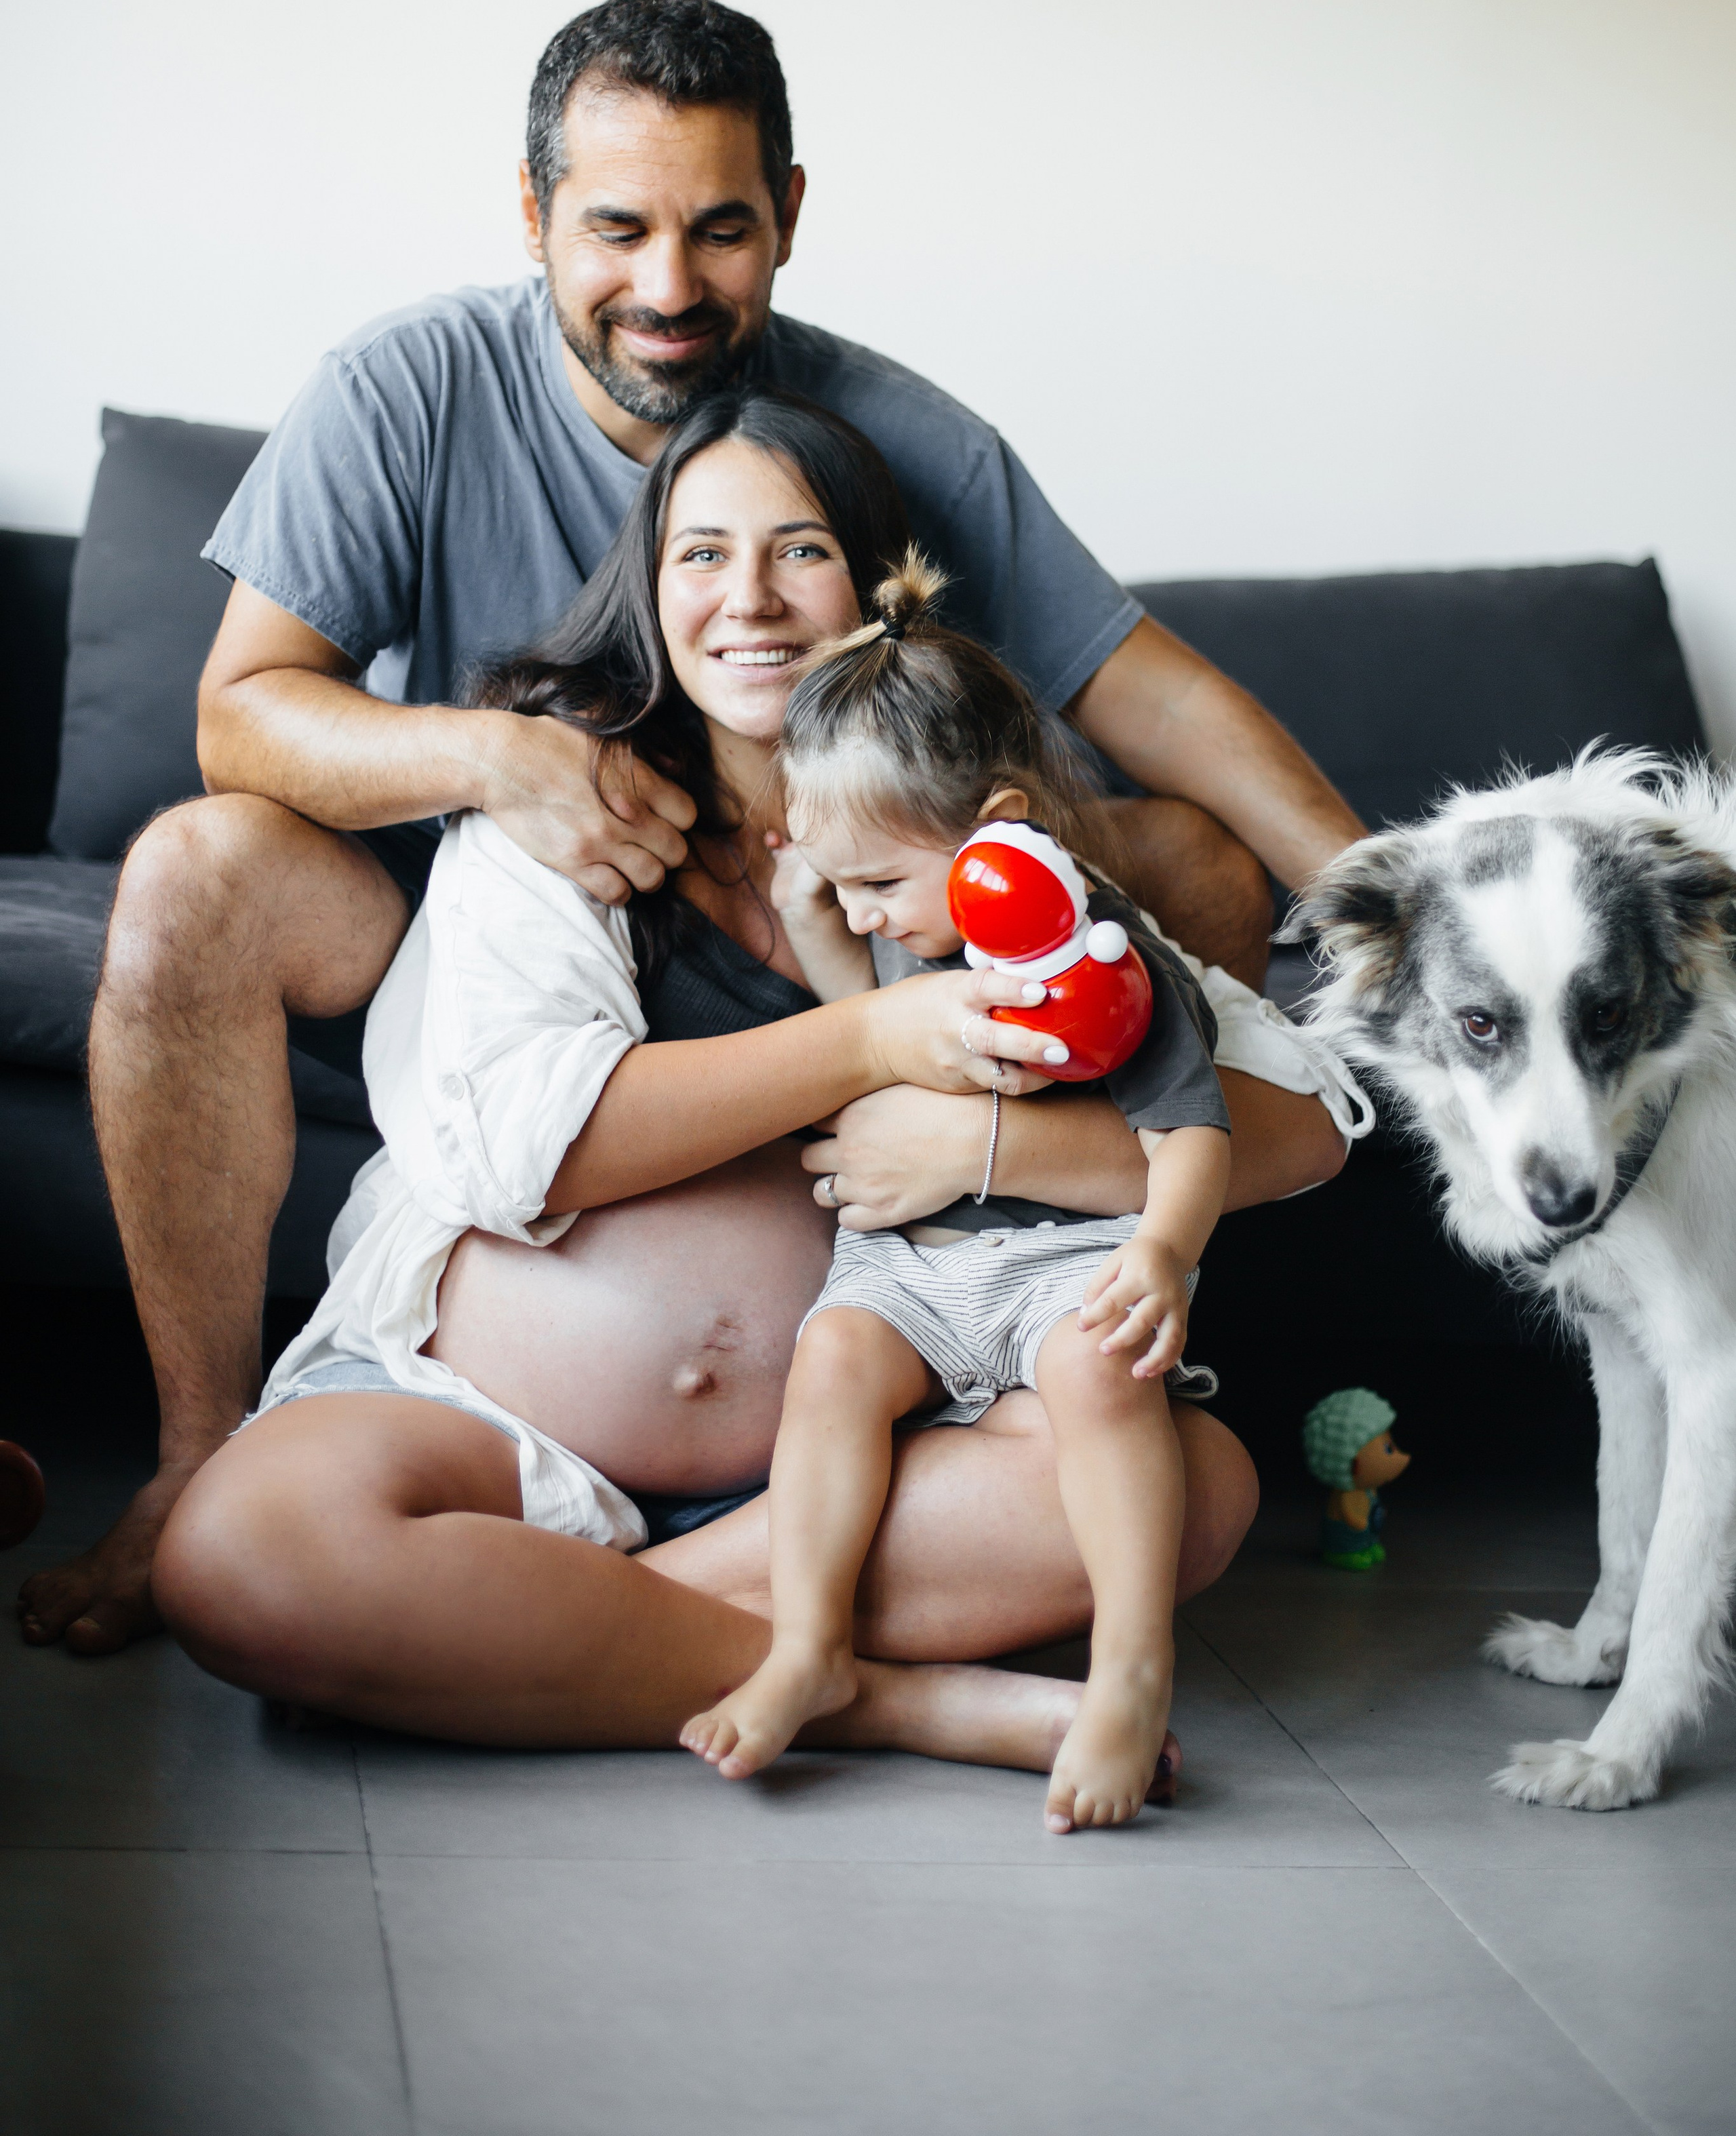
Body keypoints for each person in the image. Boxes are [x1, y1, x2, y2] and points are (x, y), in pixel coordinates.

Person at [22, 0, 1362, 1655]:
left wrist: (1391, 915)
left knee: (1175, 858)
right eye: (616, 229)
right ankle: (194, 1462)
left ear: (787, 219)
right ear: (533, 217)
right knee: (196, 869)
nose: (666, 287)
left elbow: (1146, 692)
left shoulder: (888, 437)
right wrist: (497, 760)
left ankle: (1062, 1304)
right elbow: (240, 718)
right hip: (464, 926)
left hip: (844, 918)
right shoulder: (406, 390)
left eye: (718, 231)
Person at [152, 393, 1364, 1772]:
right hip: (490, 1432)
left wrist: (981, 1149)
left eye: (799, 552)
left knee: (1193, 1488)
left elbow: (1304, 1128)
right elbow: (517, 1154)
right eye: (700, 555)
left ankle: (505, 1641)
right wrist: (871, 1045)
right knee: (240, 1558)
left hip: (863, 1472)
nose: (749, 599)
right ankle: (888, 1696)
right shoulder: (575, 815)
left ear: (869, 589)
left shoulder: (986, 860)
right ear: (647, 587)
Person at [682, 554, 1247, 1827]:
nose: (868, 910)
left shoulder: (1106, 961)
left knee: (1106, 1377)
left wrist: (1161, 1252)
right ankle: (811, 1645)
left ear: (998, 828)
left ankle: (1128, 1673)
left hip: (1064, 1258)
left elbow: (1195, 1133)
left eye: (879, 882)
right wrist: (831, 926)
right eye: (847, 887)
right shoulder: (922, 922)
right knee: (832, 1362)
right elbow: (887, 1039)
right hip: (918, 1257)